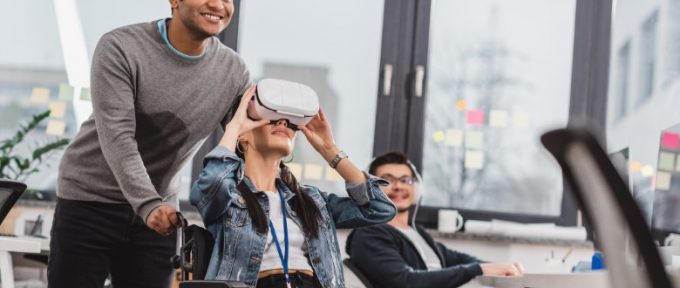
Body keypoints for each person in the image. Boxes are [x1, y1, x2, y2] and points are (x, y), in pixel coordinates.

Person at [49, 1, 250, 287]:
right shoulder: (121, 47)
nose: (218, 5)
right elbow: (118, 135)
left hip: (159, 214)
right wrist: (148, 203)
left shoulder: (233, 71)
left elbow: (244, 145)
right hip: (90, 200)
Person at [190, 90, 397, 288]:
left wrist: (329, 150)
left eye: (289, 122)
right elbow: (210, 185)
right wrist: (233, 128)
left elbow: (379, 208)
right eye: (269, 117)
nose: (282, 123)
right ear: (243, 135)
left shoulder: (312, 199)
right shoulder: (229, 195)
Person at [346, 151, 524, 288]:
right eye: (387, 180)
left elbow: (458, 258)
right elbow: (406, 282)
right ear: (371, 189)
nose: (398, 186)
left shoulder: (416, 233)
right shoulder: (369, 234)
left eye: (405, 180)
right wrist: (479, 269)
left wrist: (498, 267)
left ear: (416, 188)